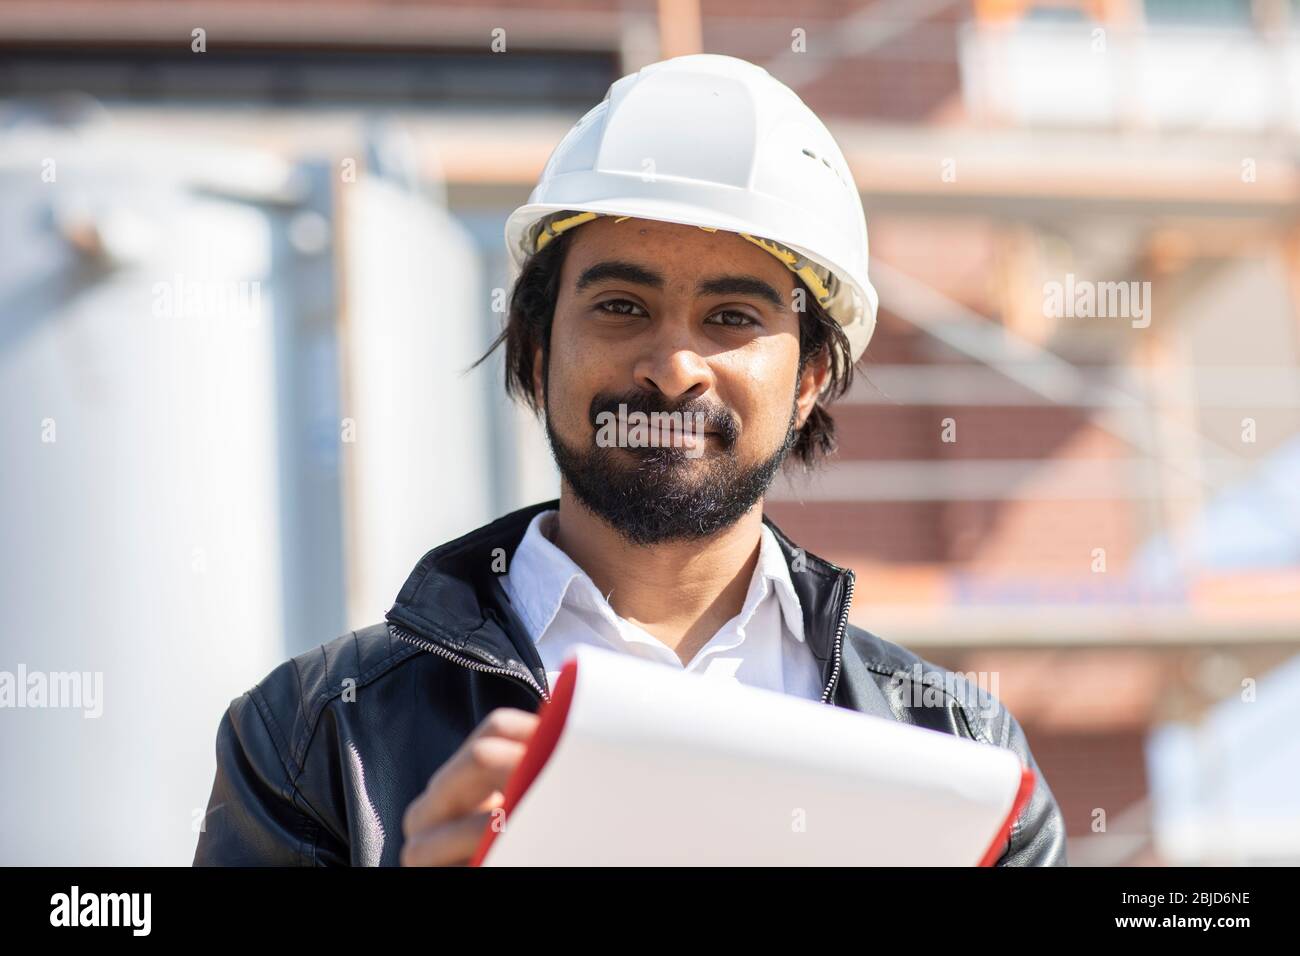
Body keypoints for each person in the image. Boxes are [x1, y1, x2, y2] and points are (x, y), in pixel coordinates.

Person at [193, 53, 1067, 867]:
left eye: (731, 317)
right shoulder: (312, 738)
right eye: (620, 304)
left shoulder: (965, 757)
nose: (673, 366)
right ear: (536, 351)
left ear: (808, 381)